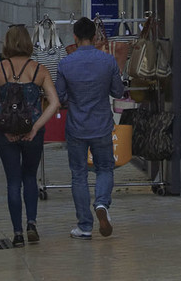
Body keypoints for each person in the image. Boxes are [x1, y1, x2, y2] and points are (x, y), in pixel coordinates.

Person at [0, 24, 60, 245]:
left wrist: (2, 125)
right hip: (32, 133)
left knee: (13, 181)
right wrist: (35, 127)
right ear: (27, 42)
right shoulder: (39, 69)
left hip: (5, 136)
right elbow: (54, 103)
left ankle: (17, 233)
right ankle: (32, 223)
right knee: (30, 177)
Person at [55, 16, 130, 240]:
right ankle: (101, 203)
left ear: (75, 38)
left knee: (78, 175)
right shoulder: (107, 61)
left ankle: (84, 226)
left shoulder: (65, 63)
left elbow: (59, 97)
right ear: (96, 37)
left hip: (77, 126)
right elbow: (118, 92)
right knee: (105, 168)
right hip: (102, 125)